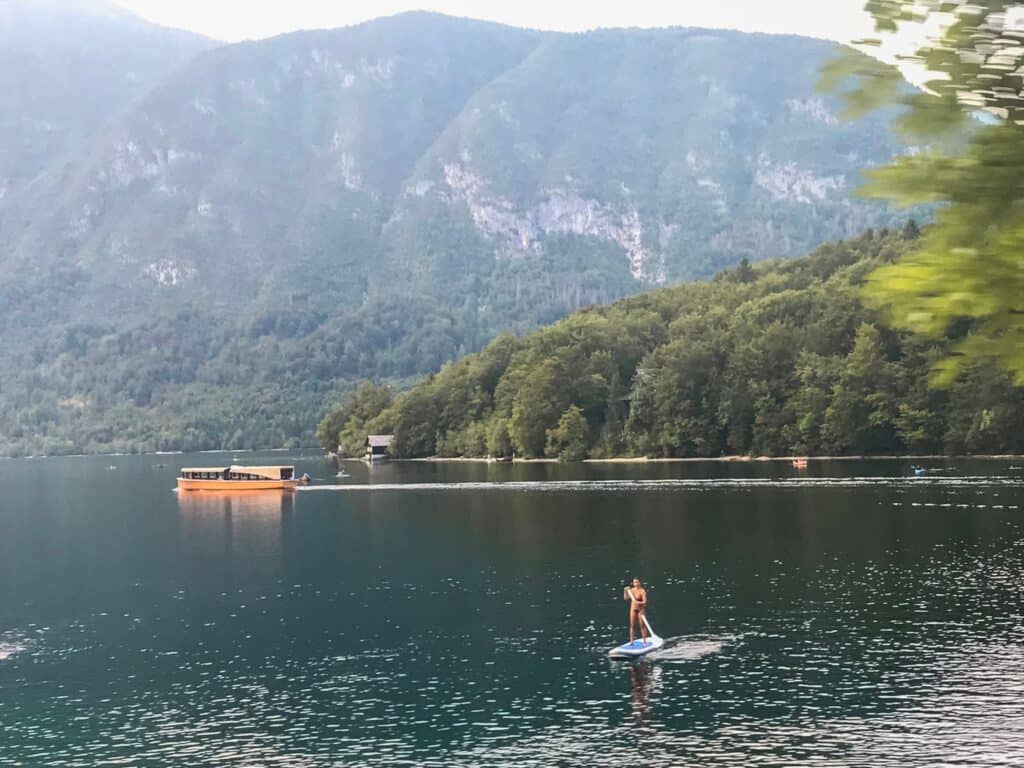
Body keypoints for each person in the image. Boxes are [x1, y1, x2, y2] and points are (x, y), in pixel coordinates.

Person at [623, 578, 648, 644]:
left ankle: (644, 642)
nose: (635, 584)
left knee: (642, 626)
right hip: (633, 609)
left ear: (640, 583)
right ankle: (631, 642)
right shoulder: (631, 590)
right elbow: (626, 598)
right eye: (634, 582)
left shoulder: (642, 591)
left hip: (640, 610)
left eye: (637, 582)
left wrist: (638, 602)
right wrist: (625, 591)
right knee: (632, 626)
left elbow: (645, 602)